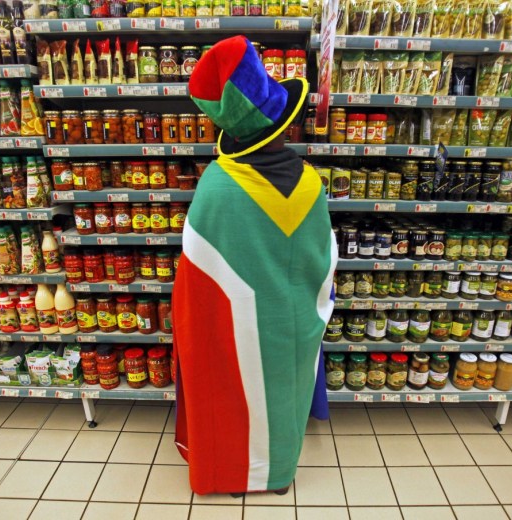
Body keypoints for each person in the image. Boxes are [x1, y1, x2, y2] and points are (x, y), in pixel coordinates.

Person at [172, 35, 336, 496]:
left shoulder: (216, 187)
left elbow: (196, 282)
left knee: (235, 400)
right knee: (284, 396)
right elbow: (324, 263)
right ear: (282, 127)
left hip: (237, 332)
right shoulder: (309, 182)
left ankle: (237, 476)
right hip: (295, 327)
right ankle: (279, 474)